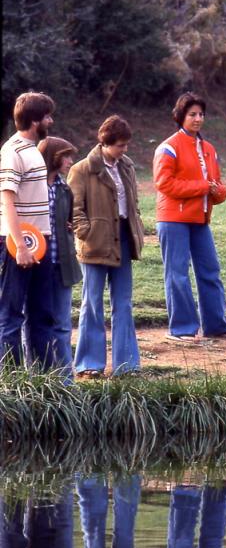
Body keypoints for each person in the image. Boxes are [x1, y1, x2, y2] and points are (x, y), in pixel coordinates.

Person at [153, 92, 226, 343]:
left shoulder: (209, 149)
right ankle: (181, 329)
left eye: (201, 114)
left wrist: (217, 191)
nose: (198, 118)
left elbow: (219, 188)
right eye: (192, 114)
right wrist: (203, 187)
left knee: (210, 271)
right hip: (173, 220)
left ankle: (216, 325)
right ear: (181, 116)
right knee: (177, 273)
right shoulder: (168, 147)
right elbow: (164, 183)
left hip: (201, 220)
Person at [68, 115, 144, 378]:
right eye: (120, 145)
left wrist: (137, 227)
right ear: (106, 143)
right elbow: (74, 208)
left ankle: (127, 365)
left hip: (123, 237)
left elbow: (132, 203)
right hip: (95, 242)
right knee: (92, 302)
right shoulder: (81, 170)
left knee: (123, 302)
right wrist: (85, 232)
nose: (124, 150)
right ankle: (89, 363)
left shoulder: (127, 166)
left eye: (126, 145)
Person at [0, 91, 55, 370]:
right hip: (17, 243)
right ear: (35, 120)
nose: (51, 120)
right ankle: (10, 383)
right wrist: (19, 245)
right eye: (47, 116)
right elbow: (6, 198)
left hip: (40, 241)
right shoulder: (12, 151)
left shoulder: (34, 150)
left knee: (41, 313)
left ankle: (46, 382)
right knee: (11, 314)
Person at [33, 136, 82, 381]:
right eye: (66, 156)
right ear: (53, 157)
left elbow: (72, 220)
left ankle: (65, 382)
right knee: (36, 322)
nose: (70, 161)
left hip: (62, 264)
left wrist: (71, 227)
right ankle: (38, 378)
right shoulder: (32, 186)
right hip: (35, 264)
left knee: (63, 325)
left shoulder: (65, 189)